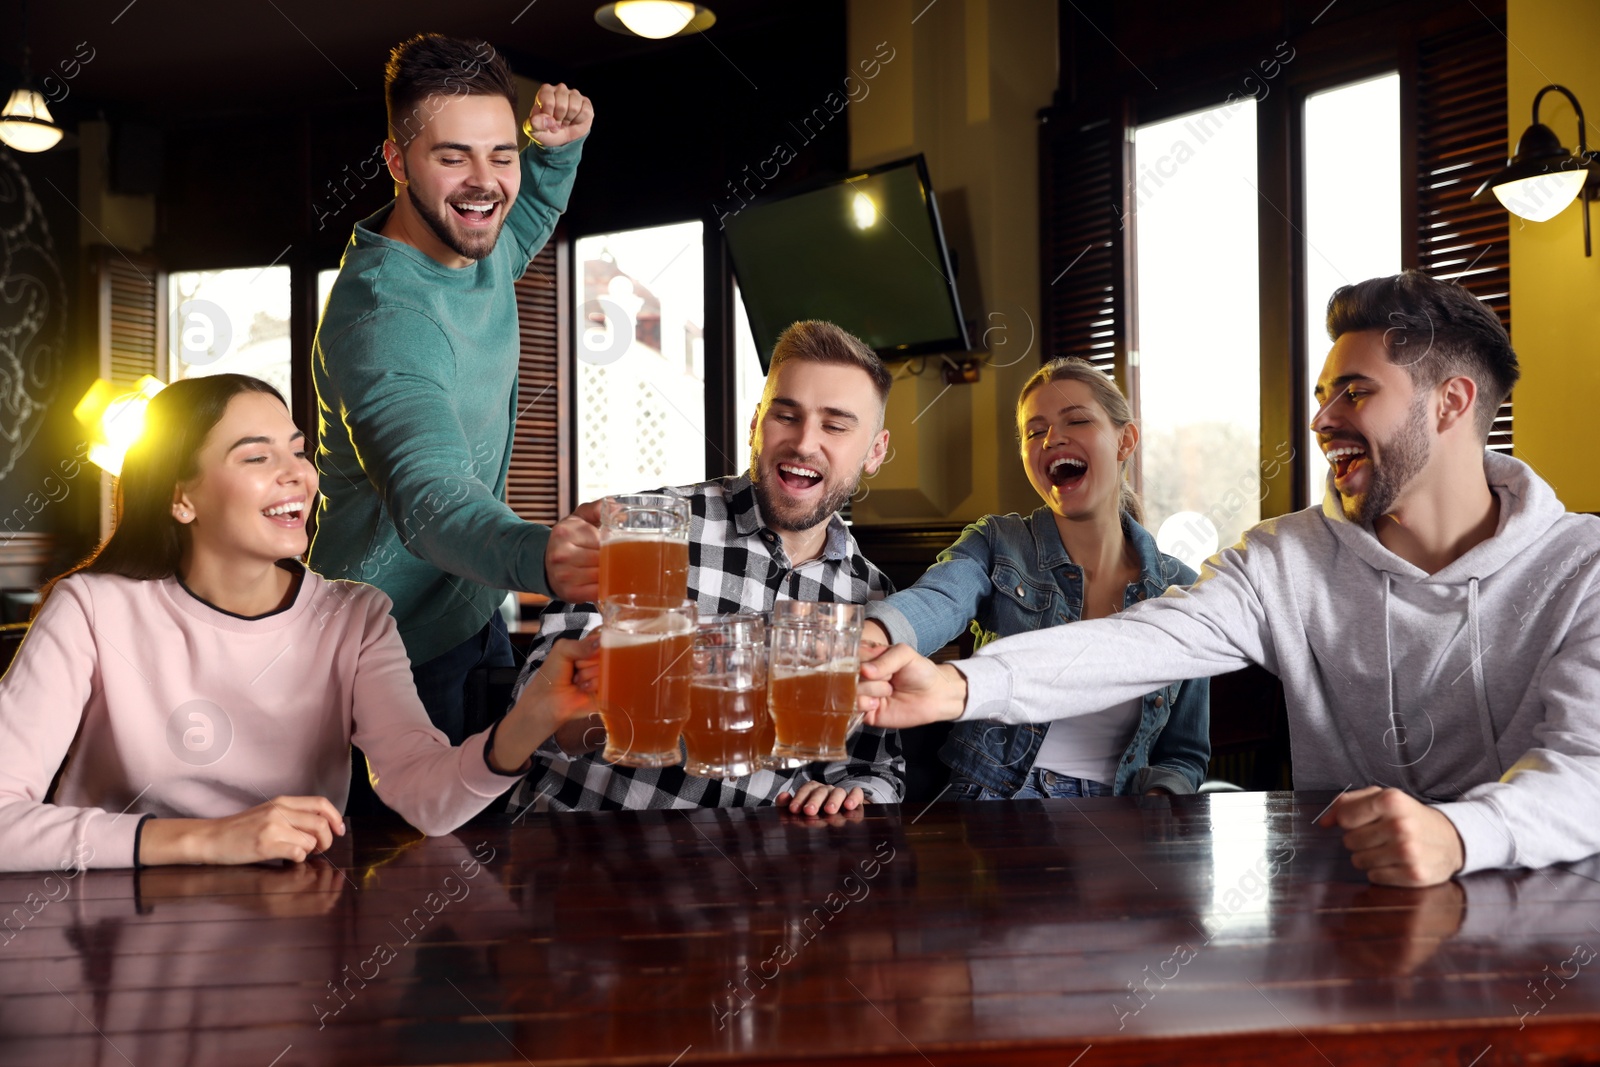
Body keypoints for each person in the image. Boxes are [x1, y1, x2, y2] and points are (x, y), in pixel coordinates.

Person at [860, 270, 1600, 887]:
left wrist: (1457, 835)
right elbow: (1141, 642)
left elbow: (1589, 773)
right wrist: (961, 687)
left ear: (1452, 402)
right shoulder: (1287, 557)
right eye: (1322, 394)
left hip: (1541, 913)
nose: (1322, 418)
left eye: (1356, 392)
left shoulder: (1583, 567)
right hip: (1345, 911)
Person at [0, 375, 596, 871]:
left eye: (298, 450)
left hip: (291, 933)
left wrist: (535, 715)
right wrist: (210, 840)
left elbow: (425, 797)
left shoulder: (354, 618)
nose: (299, 474)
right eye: (258, 457)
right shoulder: (90, 608)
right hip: (106, 932)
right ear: (182, 498)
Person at [309, 34, 598, 743]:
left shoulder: (478, 241)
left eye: (501, 154)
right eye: (452, 157)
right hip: (387, 653)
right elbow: (430, 495)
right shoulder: (385, 320)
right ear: (396, 160)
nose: (485, 180)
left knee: (486, 840)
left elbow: (519, 220)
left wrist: (553, 153)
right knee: (409, 855)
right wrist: (544, 557)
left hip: (473, 614)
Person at [510, 320, 905, 815]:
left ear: (876, 450)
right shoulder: (646, 532)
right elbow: (532, 716)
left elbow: (875, 769)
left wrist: (849, 797)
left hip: (756, 872)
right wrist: (659, 715)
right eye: (786, 416)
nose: (804, 443)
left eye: (835, 425)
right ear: (756, 426)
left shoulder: (873, 594)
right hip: (580, 850)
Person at [861, 358, 1208, 799]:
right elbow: (937, 598)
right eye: (1034, 430)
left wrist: (1157, 807)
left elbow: (1184, 755)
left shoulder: (1182, 588)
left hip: (1120, 820)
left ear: (1126, 440)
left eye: (1077, 420)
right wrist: (870, 636)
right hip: (990, 803)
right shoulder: (997, 541)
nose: (1052, 438)